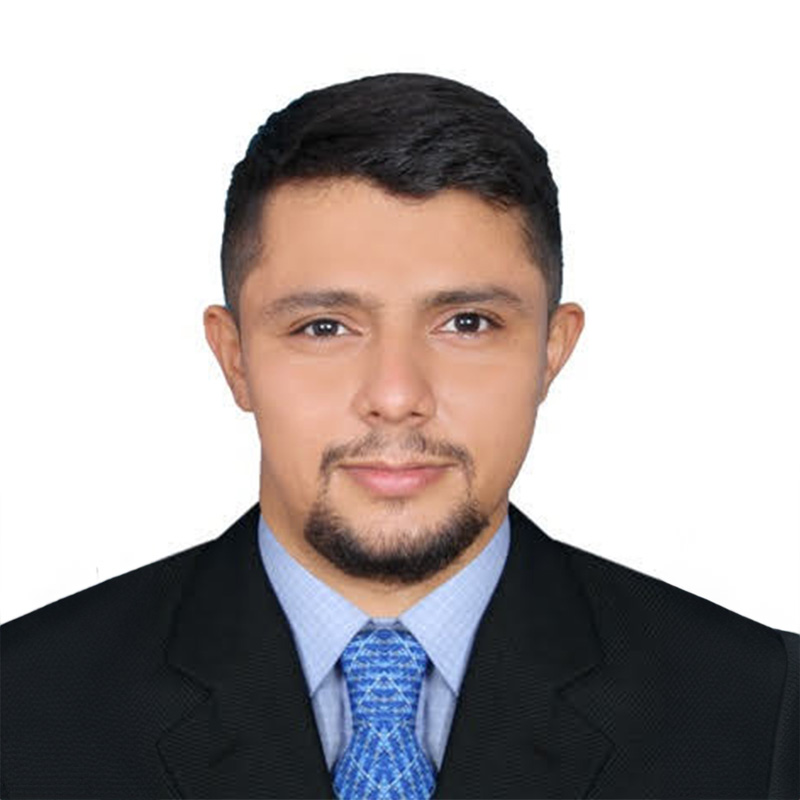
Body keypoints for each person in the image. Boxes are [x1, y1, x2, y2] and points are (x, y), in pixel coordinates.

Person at [1, 73, 796, 800]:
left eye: (467, 323)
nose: (395, 397)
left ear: (551, 352)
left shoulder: (758, 708)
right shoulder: (24, 705)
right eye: (324, 326)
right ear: (234, 357)